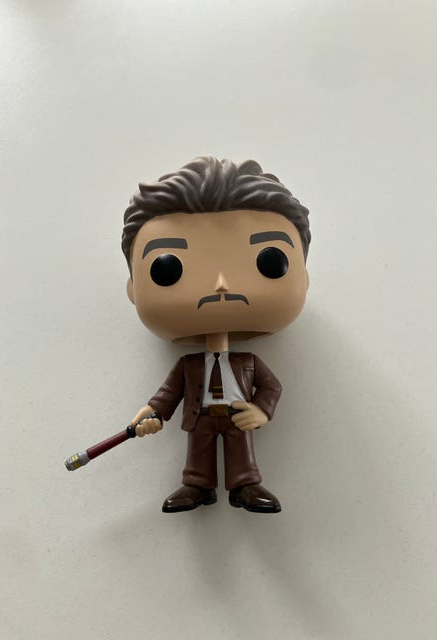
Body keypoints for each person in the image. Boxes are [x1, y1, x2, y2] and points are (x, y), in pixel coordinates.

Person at [122, 156, 310, 513]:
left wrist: (261, 411)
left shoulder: (248, 362)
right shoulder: (189, 366)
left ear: (304, 277)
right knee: (199, 451)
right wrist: (151, 412)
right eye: (167, 269)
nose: (221, 284)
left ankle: (244, 484)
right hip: (200, 415)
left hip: (238, 413)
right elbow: (169, 393)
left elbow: (271, 386)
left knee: (242, 451)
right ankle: (198, 485)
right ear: (133, 289)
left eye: (270, 261)